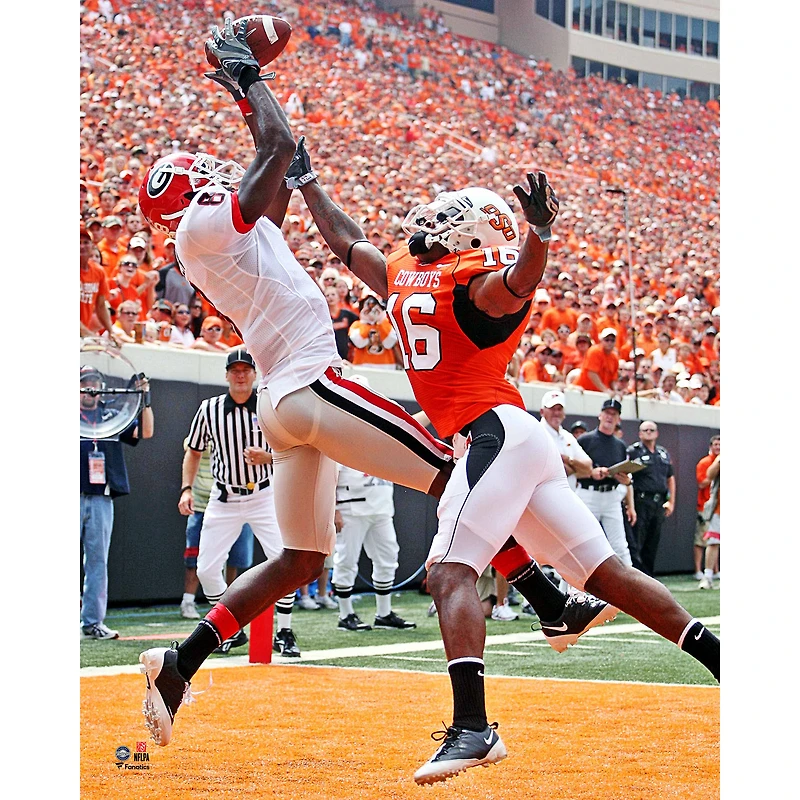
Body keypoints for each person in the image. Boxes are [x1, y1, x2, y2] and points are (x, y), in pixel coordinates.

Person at [294, 154, 719, 783]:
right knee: (607, 576)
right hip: (516, 440)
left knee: (447, 573)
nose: (433, 219)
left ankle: (473, 729)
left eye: (449, 217)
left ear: (470, 236)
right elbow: (348, 242)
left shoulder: (476, 287)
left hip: (493, 433)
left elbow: (515, 283)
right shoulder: (415, 274)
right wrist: (309, 184)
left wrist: (538, 236)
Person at [136, 23, 455, 750]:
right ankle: (542, 594)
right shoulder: (203, 223)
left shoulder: (227, 233)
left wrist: (270, 129)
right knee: (453, 474)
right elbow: (274, 150)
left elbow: (274, 185)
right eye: (204, 172)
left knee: (302, 559)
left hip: (288, 402)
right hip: (312, 381)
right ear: (190, 191)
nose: (218, 173)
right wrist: (249, 79)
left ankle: (178, 665)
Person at [177, 349, 298, 656]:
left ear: (255, 374)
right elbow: (193, 451)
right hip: (224, 497)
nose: (241, 375)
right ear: (227, 375)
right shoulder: (210, 409)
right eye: (235, 370)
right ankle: (230, 630)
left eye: (246, 370)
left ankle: (284, 631)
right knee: (206, 569)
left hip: (264, 495)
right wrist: (186, 489)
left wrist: (267, 457)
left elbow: (296, 449)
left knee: (286, 563)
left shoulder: (270, 406)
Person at [80, 366, 153, 638]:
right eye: (84, 384)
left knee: (97, 561)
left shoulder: (111, 415)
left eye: (94, 384)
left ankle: (92, 622)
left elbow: (145, 432)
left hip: (102, 496)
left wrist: (145, 398)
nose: (90, 389)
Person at [179, 437, 254, 627]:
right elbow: (190, 447)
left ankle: (228, 605)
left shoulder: (238, 433)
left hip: (236, 503)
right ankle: (188, 601)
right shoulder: (204, 429)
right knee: (196, 558)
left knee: (235, 560)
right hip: (202, 505)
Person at [575, 399, 635, 566]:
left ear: (618, 419)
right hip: (588, 493)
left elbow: (626, 475)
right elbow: (571, 470)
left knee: (620, 546)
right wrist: (590, 472)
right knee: (581, 543)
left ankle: (630, 590)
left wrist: (626, 480)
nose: (610, 417)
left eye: (614, 414)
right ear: (600, 415)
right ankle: (567, 590)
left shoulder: (621, 445)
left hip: (611, 496)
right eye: (607, 413)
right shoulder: (585, 440)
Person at [626, 421, 676, 576]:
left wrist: (671, 501)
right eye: (645, 430)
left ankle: (649, 579)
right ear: (640, 434)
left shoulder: (663, 453)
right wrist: (630, 505)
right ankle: (637, 579)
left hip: (658, 503)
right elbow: (626, 476)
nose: (649, 432)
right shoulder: (633, 451)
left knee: (652, 543)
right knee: (636, 543)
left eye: (651, 430)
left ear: (657, 433)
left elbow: (670, 478)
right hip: (640, 501)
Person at [80, 222, 117, 341]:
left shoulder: (98, 272)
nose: (82, 246)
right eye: (78, 243)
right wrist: (87, 333)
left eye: (85, 242)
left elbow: (101, 306)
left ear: (92, 246)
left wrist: (110, 331)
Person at [696, 436, 720, 589]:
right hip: (720, 507)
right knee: (712, 541)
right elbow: (708, 476)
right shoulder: (714, 460)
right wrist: (719, 460)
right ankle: (707, 576)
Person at [574, 328, 620, 393]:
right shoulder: (594, 352)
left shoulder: (614, 357)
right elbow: (592, 373)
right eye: (607, 340)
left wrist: (615, 391)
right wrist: (605, 390)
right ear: (601, 340)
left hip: (600, 394)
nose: (609, 343)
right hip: (584, 391)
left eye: (612, 340)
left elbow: (612, 379)